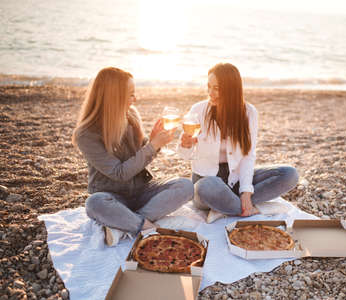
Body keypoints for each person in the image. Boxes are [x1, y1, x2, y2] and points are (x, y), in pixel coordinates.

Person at [72, 67, 193, 246]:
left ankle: (123, 224)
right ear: (114, 96)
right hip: (113, 196)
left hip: (141, 190)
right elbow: (119, 173)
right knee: (94, 203)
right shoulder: (86, 133)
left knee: (185, 186)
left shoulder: (131, 115)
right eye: (130, 95)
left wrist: (151, 141)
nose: (134, 99)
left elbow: (140, 155)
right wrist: (153, 146)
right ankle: (142, 224)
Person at [178, 63, 298, 222]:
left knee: (289, 174)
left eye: (216, 88)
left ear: (231, 90)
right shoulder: (198, 110)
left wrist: (246, 193)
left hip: (236, 178)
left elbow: (248, 156)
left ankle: (228, 207)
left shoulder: (249, 113)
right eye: (209, 87)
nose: (210, 93)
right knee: (204, 187)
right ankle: (249, 207)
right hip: (207, 181)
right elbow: (184, 154)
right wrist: (185, 145)